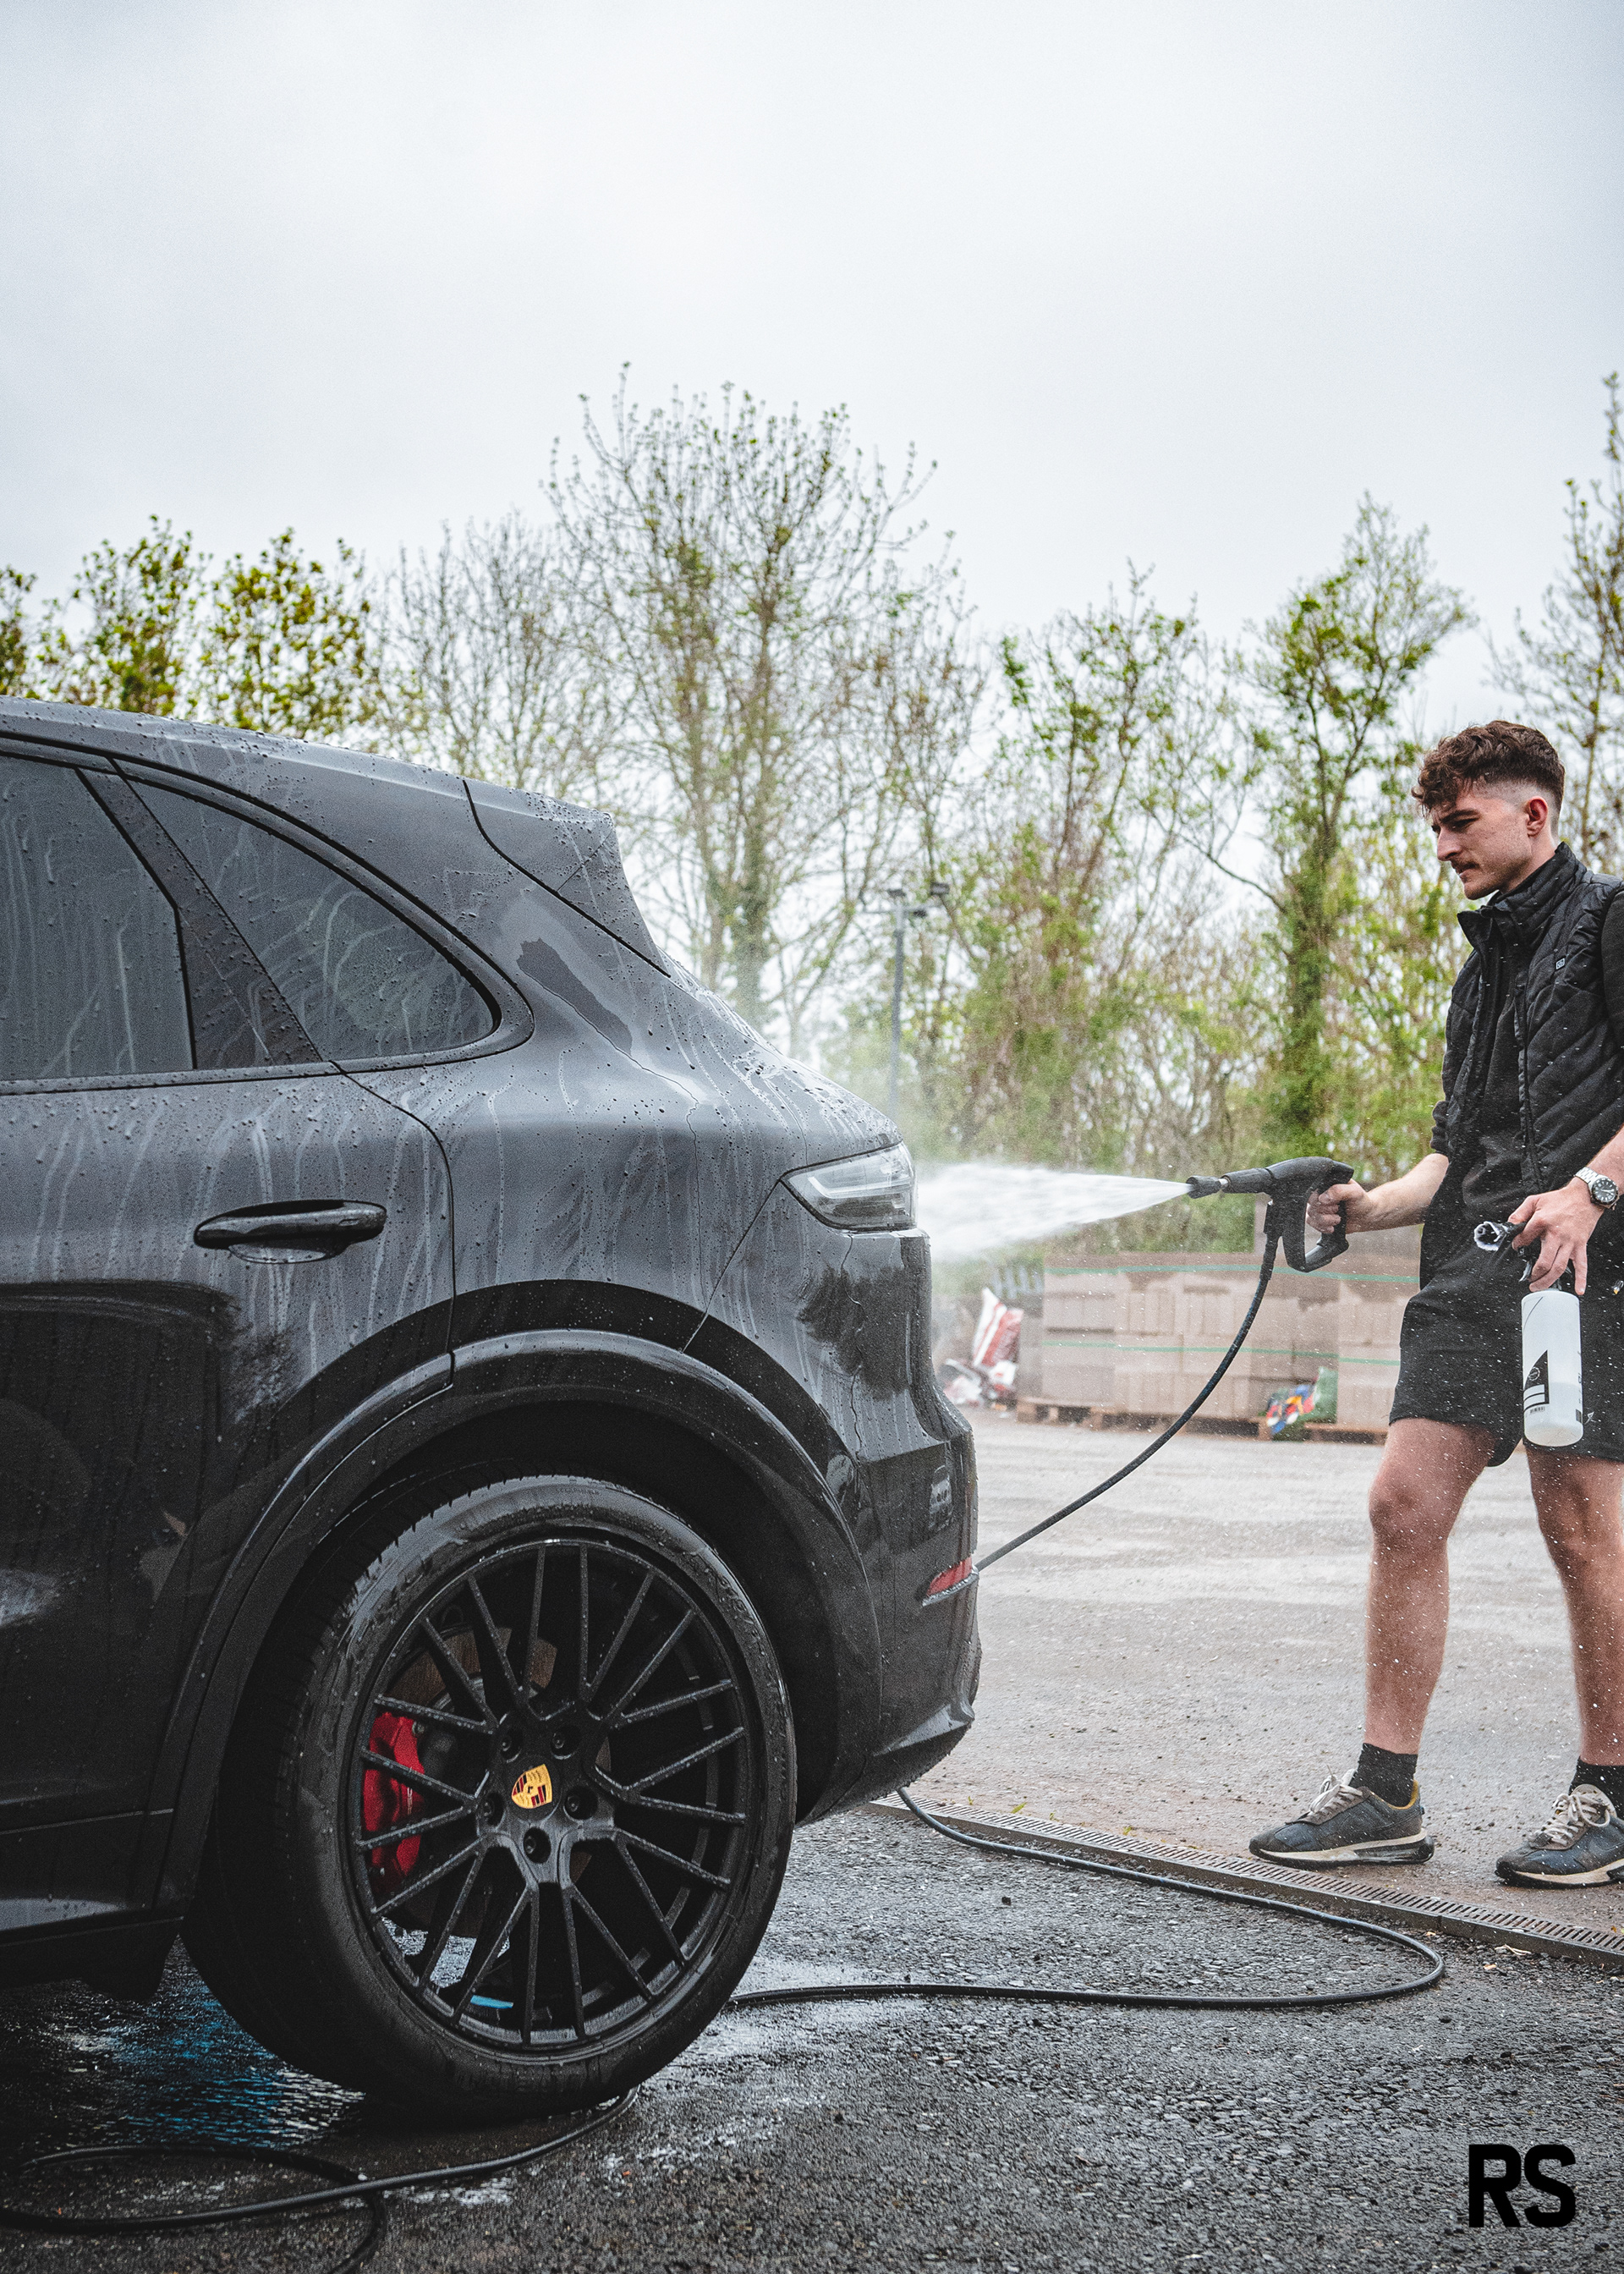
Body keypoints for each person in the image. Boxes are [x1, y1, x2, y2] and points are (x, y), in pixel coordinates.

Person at [1250, 720, 1624, 1889]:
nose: (1445, 845)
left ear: (1534, 814)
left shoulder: (1610, 921)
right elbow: (1452, 1157)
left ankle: (1611, 1792)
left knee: (1580, 1527)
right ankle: (1385, 1791)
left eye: (1461, 822)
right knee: (1403, 1505)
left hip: (1584, 1272)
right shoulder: (1480, 971)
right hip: (1471, 1273)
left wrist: (1593, 1191)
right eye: (1437, 826)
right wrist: (1361, 1209)